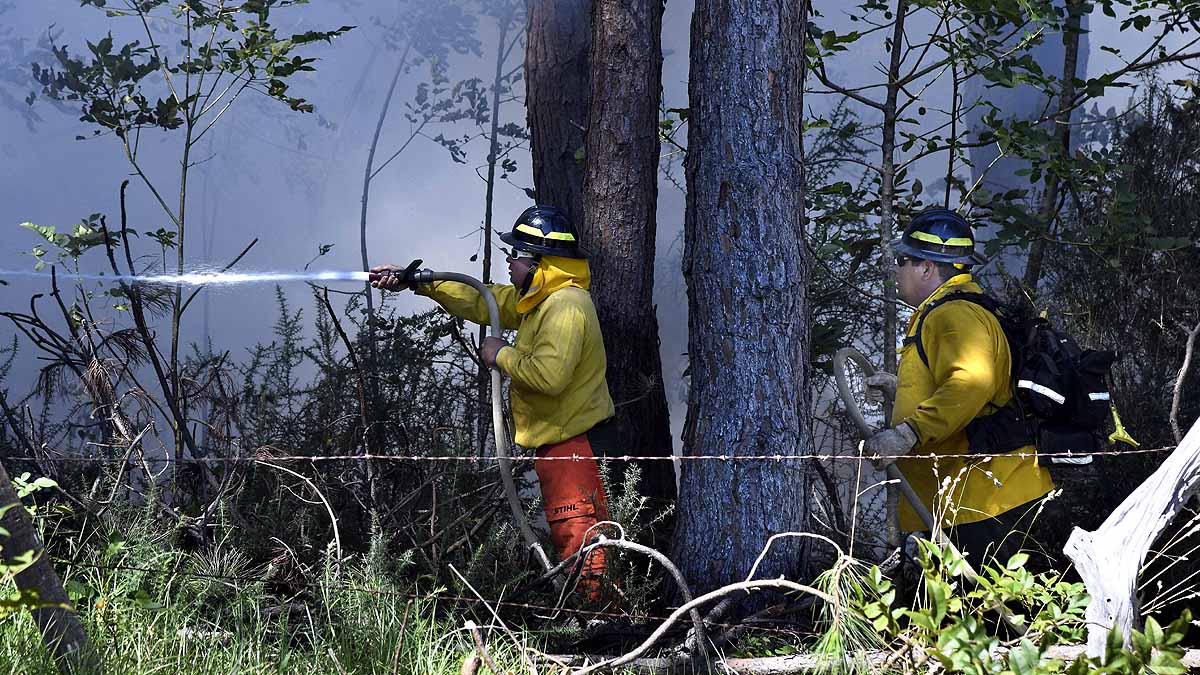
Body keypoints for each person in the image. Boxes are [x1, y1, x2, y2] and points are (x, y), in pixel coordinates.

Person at [370, 205, 616, 600]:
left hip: (575, 447)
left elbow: (550, 377)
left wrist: (499, 354)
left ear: (541, 263)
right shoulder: (541, 300)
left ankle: (601, 623)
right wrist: (417, 282)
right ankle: (591, 614)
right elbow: (483, 300)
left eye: (516, 256)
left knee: (583, 538)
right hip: (562, 445)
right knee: (576, 537)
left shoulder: (566, 306)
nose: (509, 262)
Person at [864, 208, 1056, 568]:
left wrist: (908, 433)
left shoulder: (951, 314)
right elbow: (968, 383)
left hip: (982, 500)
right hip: (975, 497)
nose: (897, 269)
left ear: (926, 268)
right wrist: (902, 389)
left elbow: (972, 382)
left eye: (903, 260)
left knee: (991, 616)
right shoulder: (960, 308)